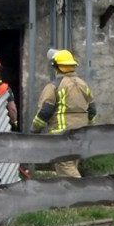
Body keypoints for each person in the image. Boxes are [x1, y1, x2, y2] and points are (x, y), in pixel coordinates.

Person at [30, 49, 96, 177]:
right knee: (70, 166)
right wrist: (90, 129)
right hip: (82, 134)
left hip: (62, 136)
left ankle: (85, 193)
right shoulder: (84, 85)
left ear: (56, 67)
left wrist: (34, 131)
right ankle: (70, 196)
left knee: (65, 166)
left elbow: (45, 112)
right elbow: (92, 111)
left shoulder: (54, 86)